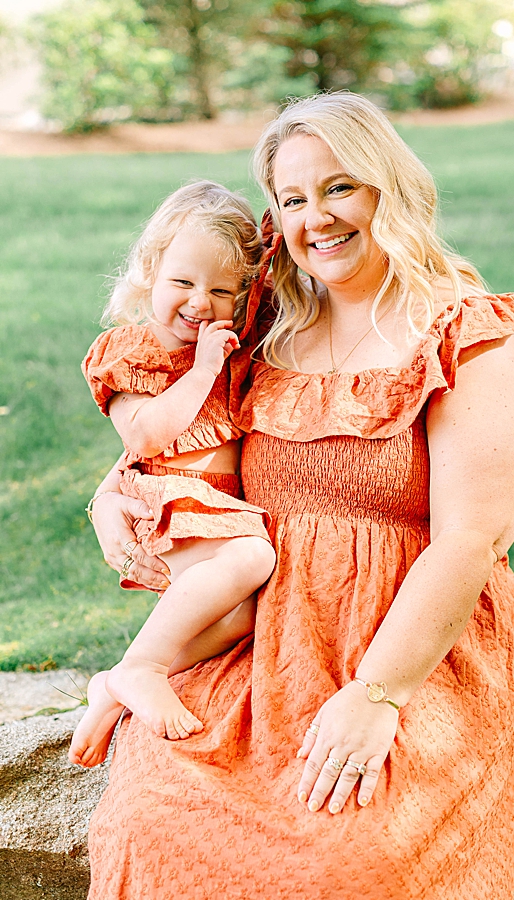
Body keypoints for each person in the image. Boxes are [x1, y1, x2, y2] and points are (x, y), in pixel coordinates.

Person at [85, 91, 514, 898]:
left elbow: (471, 542)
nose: (317, 217)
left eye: (339, 187)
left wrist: (376, 697)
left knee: (347, 864)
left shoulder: (465, 334)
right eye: (292, 199)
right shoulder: (256, 325)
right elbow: (172, 436)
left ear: (389, 187)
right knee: (148, 821)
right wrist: (109, 502)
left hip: (407, 649)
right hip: (259, 641)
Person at [70, 181, 276, 764]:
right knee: (252, 559)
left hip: (212, 506)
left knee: (245, 612)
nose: (199, 302)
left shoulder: (233, 351)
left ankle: (117, 680)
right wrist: (204, 368)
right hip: (166, 500)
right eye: (182, 283)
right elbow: (145, 436)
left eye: (220, 290)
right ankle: (145, 667)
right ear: (149, 273)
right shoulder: (131, 351)